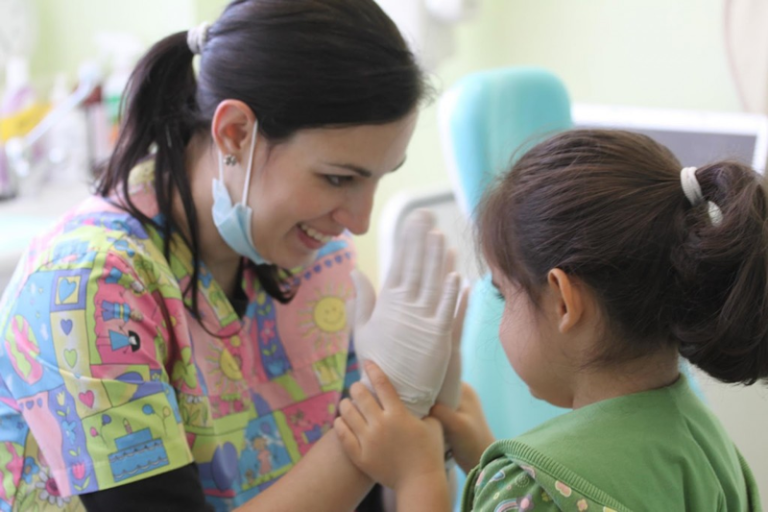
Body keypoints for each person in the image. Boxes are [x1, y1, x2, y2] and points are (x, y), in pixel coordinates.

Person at [0, 1, 464, 511]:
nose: (359, 221)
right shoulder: (86, 288)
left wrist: (427, 421)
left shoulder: (319, 262)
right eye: (339, 178)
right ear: (235, 133)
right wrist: (383, 417)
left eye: (380, 177)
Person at [334, 129, 766, 511]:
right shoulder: (707, 445)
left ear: (563, 302)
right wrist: (486, 456)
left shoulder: (533, 490)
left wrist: (416, 477)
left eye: (504, 294)